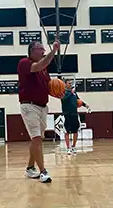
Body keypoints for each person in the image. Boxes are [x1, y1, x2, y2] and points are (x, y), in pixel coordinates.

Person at [17, 40, 60, 183]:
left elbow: (49, 87)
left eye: (43, 49)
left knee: (37, 139)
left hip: (42, 106)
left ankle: (30, 168)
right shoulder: (24, 63)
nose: (43, 51)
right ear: (32, 51)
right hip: (29, 106)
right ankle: (43, 171)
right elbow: (40, 65)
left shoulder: (44, 71)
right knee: (36, 138)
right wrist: (53, 51)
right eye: (40, 49)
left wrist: (61, 91)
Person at [61, 79, 90, 155]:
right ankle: (68, 148)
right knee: (67, 132)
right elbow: (64, 99)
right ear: (65, 84)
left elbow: (78, 100)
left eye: (71, 83)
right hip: (66, 114)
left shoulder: (74, 93)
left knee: (75, 131)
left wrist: (85, 104)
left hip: (74, 114)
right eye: (69, 83)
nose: (71, 84)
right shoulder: (62, 92)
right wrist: (71, 92)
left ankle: (73, 147)